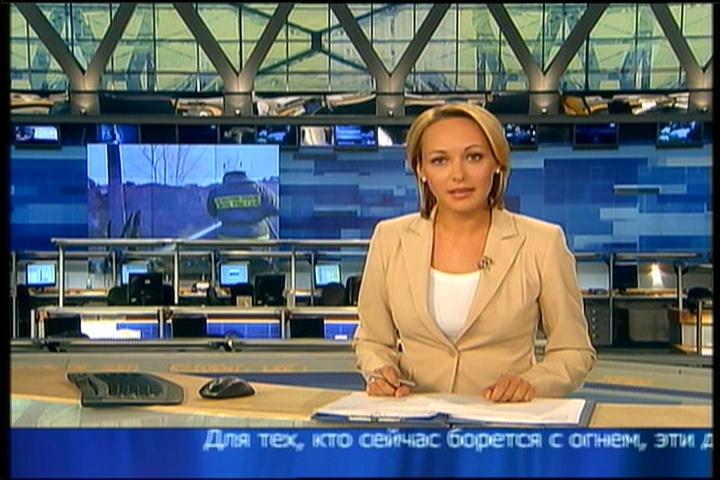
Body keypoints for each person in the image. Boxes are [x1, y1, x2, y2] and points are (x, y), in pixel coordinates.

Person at [353, 103, 596, 402]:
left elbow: (574, 351)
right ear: (421, 170)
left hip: (504, 420)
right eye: (440, 160)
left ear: (497, 163)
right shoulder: (390, 239)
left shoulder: (542, 243)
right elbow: (372, 341)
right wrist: (380, 371)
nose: (458, 175)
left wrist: (531, 383)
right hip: (414, 418)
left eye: (474, 157)